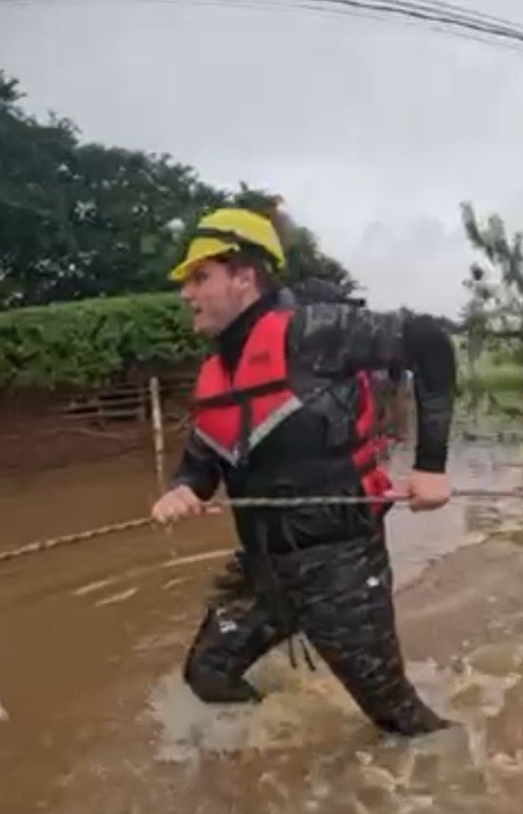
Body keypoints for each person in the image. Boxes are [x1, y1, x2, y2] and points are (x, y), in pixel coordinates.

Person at [151, 208, 455, 737]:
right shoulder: (215, 375)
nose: (186, 294)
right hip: (263, 572)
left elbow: (429, 342)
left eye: (200, 277)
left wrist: (431, 467)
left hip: (340, 565)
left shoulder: (314, 331)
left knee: (396, 718)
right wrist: (181, 489)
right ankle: (281, 747)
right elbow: (202, 462)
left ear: (244, 276)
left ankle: (457, 784)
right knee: (208, 673)